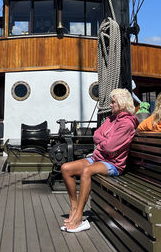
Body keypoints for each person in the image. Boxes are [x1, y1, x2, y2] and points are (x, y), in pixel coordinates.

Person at [60, 88, 139, 232]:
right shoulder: (111, 119)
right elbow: (96, 135)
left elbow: (109, 148)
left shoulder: (127, 124)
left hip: (113, 164)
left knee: (87, 171)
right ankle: (74, 207)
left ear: (121, 103)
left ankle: (78, 216)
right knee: (66, 168)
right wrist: (105, 141)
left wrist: (103, 142)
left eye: (113, 102)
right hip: (98, 158)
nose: (110, 105)